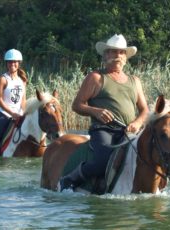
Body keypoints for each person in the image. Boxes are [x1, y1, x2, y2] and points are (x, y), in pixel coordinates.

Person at [59, 34, 149, 191]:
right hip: (103, 130)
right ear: (105, 54)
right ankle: (70, 179)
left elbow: (144, 110)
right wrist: (95, 111)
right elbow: (76, 105)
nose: (117, 56)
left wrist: (137, 123)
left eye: (121, 52)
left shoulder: (135, 81)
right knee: (103, 161)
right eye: (113, 52)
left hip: (128, 131)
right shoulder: (96, 77)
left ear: (126, 57)